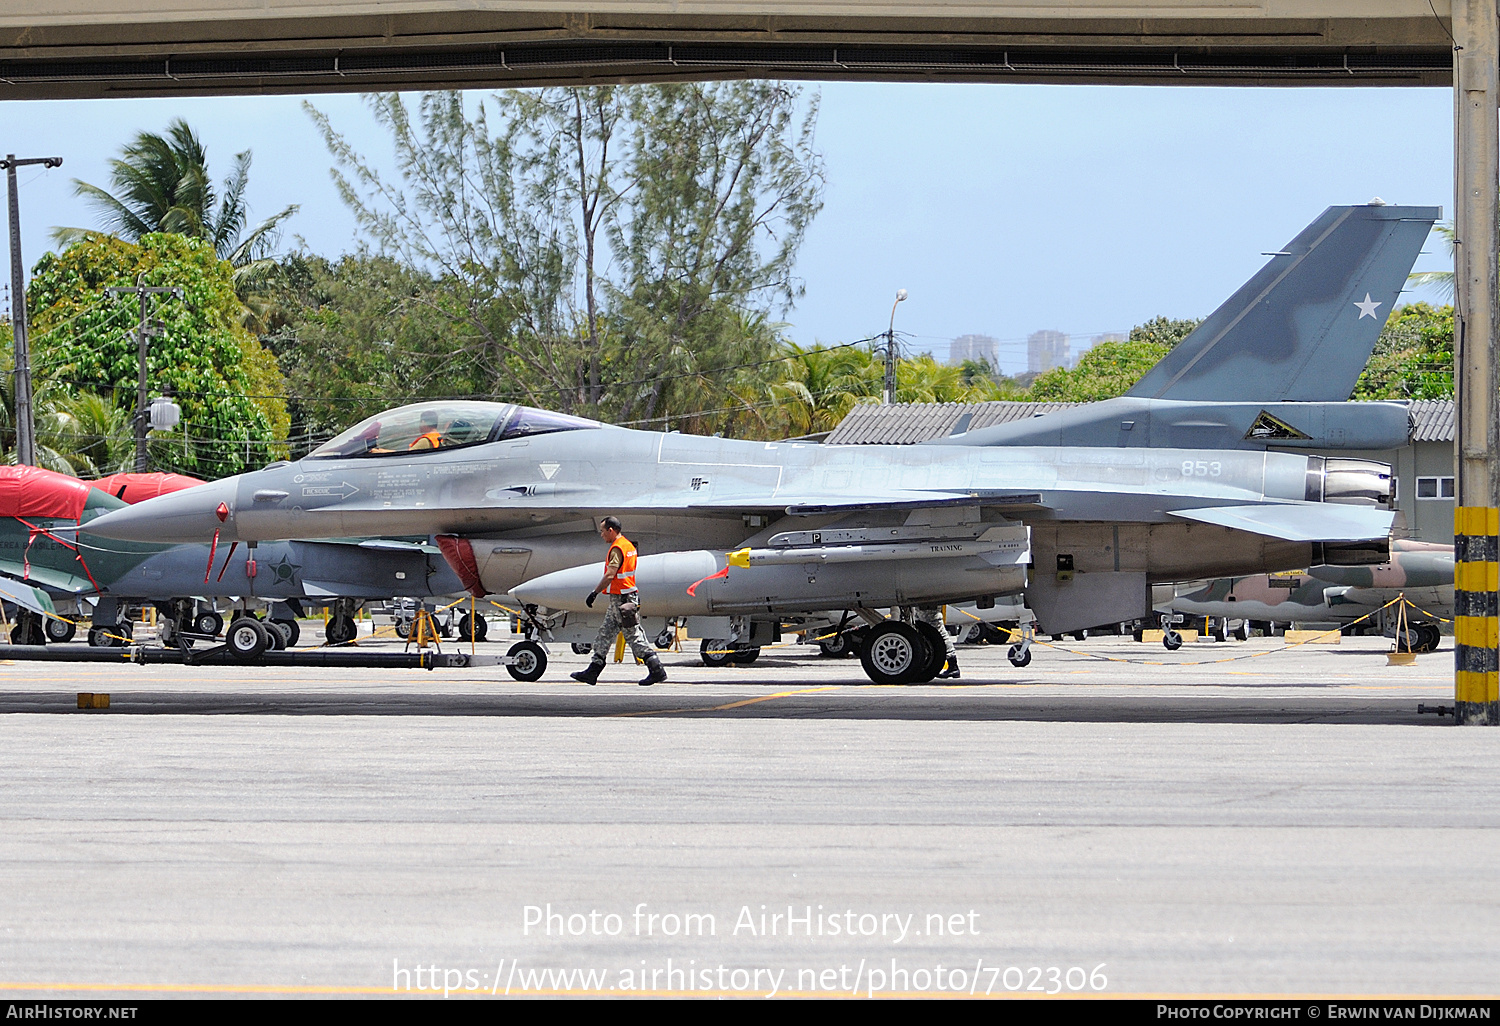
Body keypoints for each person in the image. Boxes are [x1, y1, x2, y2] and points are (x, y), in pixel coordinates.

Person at [571, 517, 668, 686]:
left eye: (602, 531)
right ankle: (592, 671)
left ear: (611, 530)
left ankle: (656, 669)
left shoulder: (617, 549)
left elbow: (610, 574)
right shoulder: (628, 546)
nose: (601, 535)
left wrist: (594, 593)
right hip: (621, 598)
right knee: (605, 633)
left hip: (623, 600)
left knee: (633, 636)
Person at [914, 605, 960, 679]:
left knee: (938, 631)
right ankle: (952, 665)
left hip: (927, 605)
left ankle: (953, 665)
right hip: (924, 605)